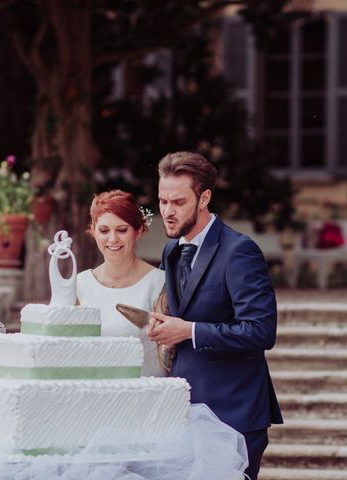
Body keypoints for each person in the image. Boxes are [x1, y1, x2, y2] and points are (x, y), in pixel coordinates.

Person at [147, 151, 283, 480]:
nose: (167, 211)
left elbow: (260, 331)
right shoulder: (171, 249)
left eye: (178, 202)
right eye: (163, 201)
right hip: (185, 412)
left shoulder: (240, 251)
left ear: (204, 197)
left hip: (233, 413)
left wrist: (189, 331)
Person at [77, 189, 166, 377]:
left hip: (145, 394)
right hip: (93, 394)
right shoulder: (80, 285)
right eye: (104, 230)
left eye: (122, 230)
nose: (112, 239)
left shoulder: (159, 283)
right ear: (93, 231)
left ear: (138, 231)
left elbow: (169, 353)